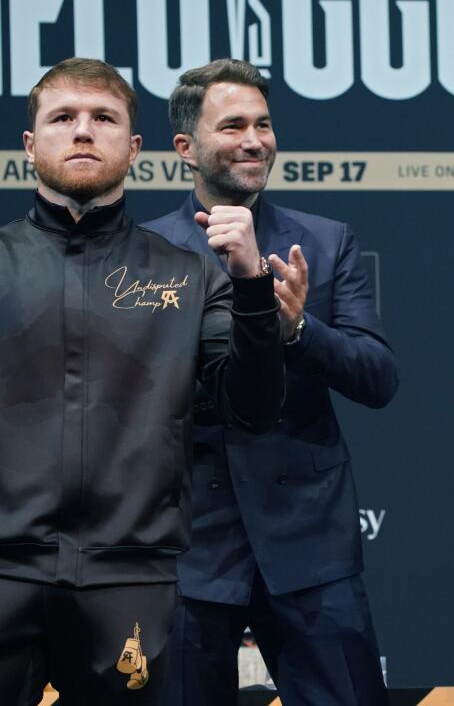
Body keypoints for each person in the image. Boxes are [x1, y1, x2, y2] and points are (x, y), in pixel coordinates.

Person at [0, 58, 284, 706]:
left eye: (103, 119)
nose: (83, 131)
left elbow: (253, 411)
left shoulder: (193, 274)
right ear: (31, 145)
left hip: (131, 579)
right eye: (63, 118)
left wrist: (254, 287)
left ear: (135, 148)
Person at [146, 58, 397, 706]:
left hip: (309, 542)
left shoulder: (325, 241)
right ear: (185, 147)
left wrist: (296, 330)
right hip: (186, 545)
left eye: (263, 123)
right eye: (233, 125)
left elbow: (377, 377)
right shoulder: (143, 253)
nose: (255, 140)